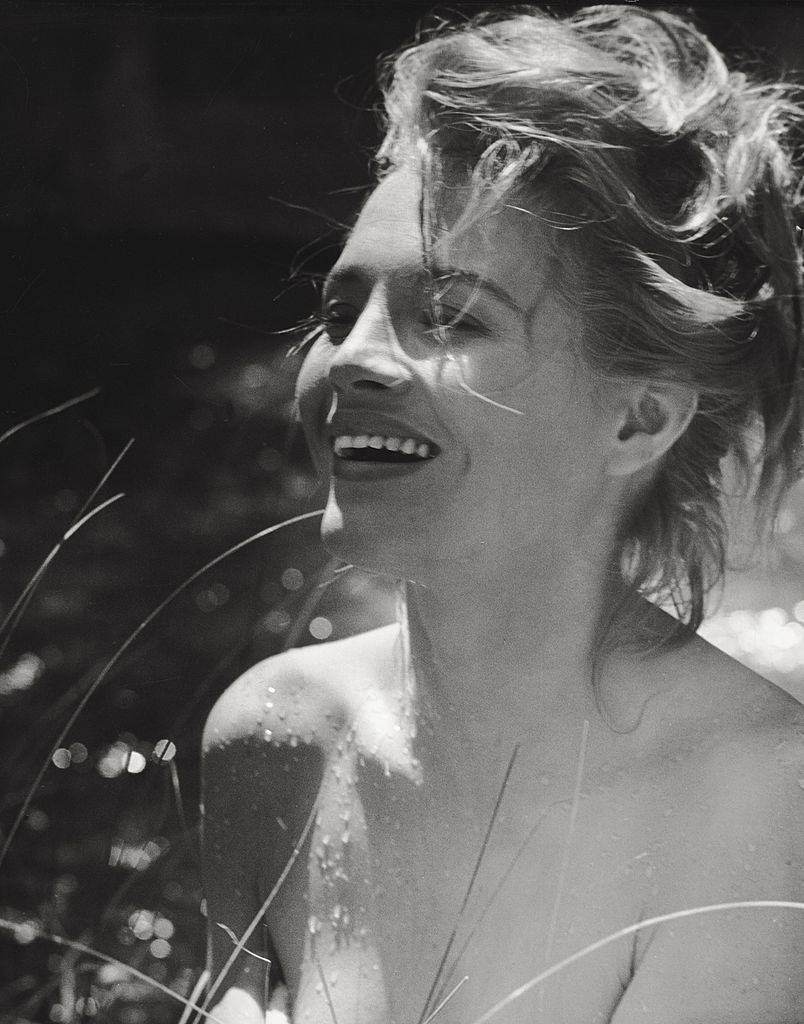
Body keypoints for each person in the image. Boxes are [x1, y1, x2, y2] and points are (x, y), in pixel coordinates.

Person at [201, 6, 804, 1022]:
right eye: (341, 312)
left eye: (451, 316)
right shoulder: (274, 735)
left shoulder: (760, 798)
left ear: (641, 417)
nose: (350, 359)